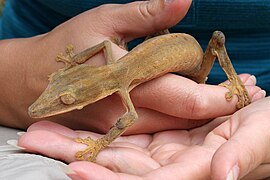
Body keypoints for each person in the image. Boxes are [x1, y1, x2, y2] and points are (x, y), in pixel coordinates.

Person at [0, 0, 268, 179]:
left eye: (67, 99)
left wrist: (99, 145)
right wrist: (17, 74)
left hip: (200, 72)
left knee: (216, 41)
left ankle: (235, 80)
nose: (58, 101)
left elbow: (129, 117)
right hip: (12, 101)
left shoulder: (120, 80)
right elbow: (105, 46)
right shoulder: (114, 70)